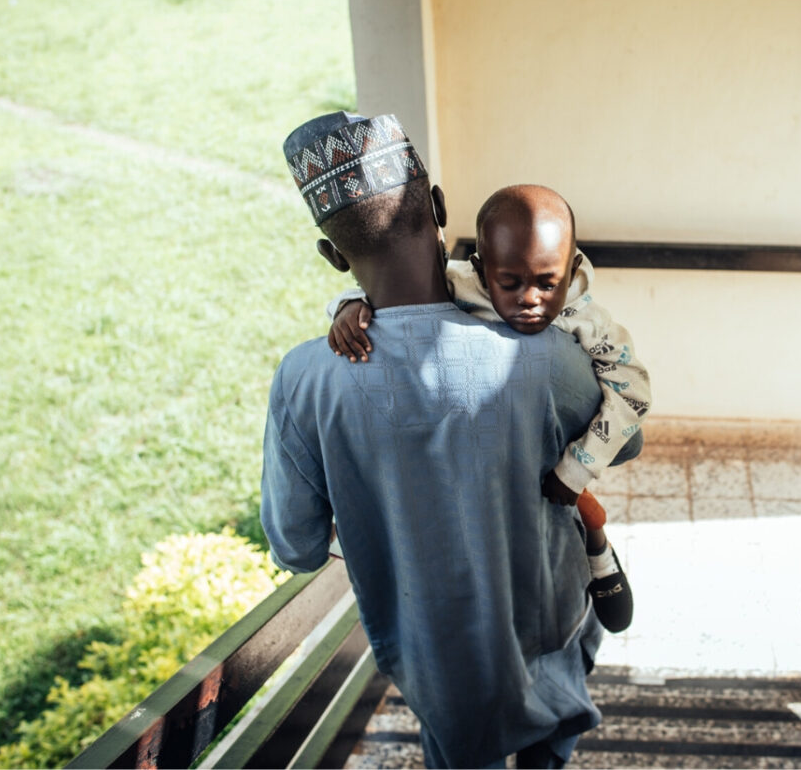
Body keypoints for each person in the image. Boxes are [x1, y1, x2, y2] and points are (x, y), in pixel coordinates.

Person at [261, 111, 643, 769]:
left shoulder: (307, 380)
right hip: (551, 627)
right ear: (439, 208)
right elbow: (625, 441)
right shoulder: (548, 354)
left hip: (438, 661)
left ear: (332, 257)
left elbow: (296, 546)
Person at [325, 184, 651, 633]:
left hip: (555, 453)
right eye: (510, 283)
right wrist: (349, 306)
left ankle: (600, 554)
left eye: (547, 283)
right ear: (482, 268)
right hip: (483, 442)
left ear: (572, 268)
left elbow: (632, 393)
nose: (530, 299)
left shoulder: (588, 321)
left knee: (575, 512)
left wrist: (576, 469)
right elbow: (392, 300)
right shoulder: (457, 284)